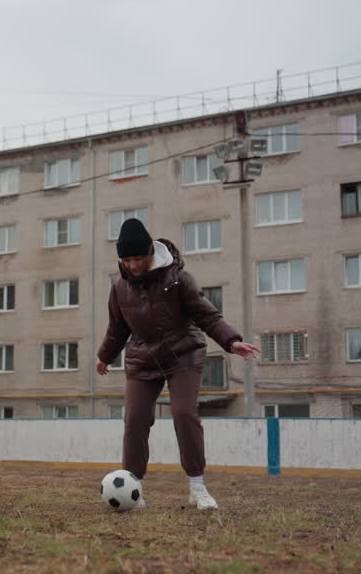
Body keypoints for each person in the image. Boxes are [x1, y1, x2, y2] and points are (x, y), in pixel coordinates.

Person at [96, 218, 260, 510]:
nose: (133, 265)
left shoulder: (178, 279)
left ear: (150, 253)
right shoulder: (119, 288)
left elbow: (206, 314)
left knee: (184, 413)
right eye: (127, 259)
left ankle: (197, 487)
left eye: (138, 258)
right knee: (134, 419)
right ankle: (134, 488)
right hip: (143, 356)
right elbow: (117, 329)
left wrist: (231, 341)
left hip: (182, 353)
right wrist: (105, 356)